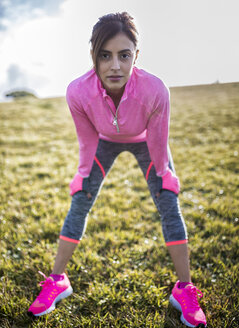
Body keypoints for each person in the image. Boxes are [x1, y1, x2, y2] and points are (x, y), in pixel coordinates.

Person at [28, 12, 207, 328]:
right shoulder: (77, 91)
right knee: (79, 200)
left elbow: (159, 137)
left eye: (124, 55)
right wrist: (83, 173)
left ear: (136, 56)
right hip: (104, 142)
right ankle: (57, 280)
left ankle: (185, 289)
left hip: (146, 142)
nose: (115, 65)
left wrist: (164, 173)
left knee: (169, 201)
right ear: (93, 56)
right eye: (105, 55)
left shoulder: (155, 90)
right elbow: (86, 139)